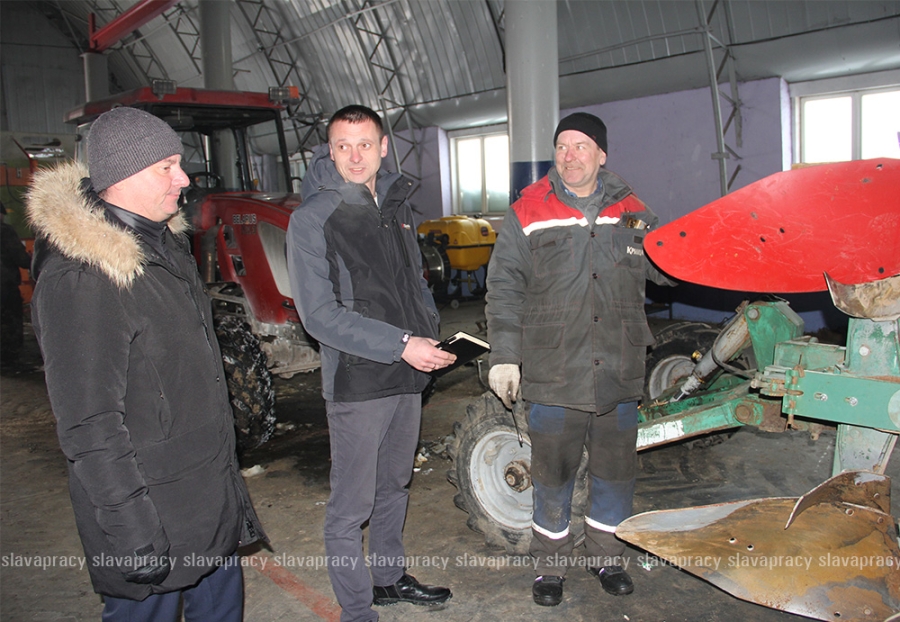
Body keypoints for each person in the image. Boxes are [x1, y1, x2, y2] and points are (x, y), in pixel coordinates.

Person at [26, 106, 265, 621]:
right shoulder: (83, 279)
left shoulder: (165, 247)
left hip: (207, 502)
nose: (184, 179)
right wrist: (133, 534)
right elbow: (89, 425)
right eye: (166, 167)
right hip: (151, 517)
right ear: (121, 177)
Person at [485, 112, 674, 607]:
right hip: (554, 368)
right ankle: (550, 566)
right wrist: (504, 355)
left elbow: (665, 266)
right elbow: (503, 287)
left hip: (618, 367)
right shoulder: (529, 210)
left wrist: (699, 249)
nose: (570, 156)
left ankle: (606, 556)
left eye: (581, 146)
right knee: (552, 475)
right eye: (562, 147)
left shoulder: (631, 212)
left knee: (616, 473)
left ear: (601, 154)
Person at [287, 105, 455, 622]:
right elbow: (319, 316)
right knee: (349, 507)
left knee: (394, 486)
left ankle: (387, 578)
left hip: (408, 371)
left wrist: (429, 334)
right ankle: (357, 611)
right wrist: (403, 342)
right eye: (343, 146)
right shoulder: (312, 218)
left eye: (365, 144)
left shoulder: (396, 207)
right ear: (330, 150)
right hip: (358, 379)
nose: (355, 157)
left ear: (384, 147)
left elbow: (413, 283)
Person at [0, 203, 32, 369]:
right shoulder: (5, 231)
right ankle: (9, 359)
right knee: (10, 322)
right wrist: (33, 260)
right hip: (5, 286)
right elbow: (21, 259)